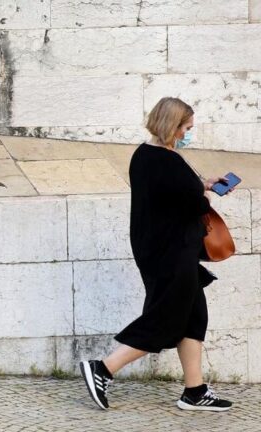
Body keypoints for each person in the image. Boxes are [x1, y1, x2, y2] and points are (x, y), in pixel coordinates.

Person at [80, 97, 233, 411]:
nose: (189, 133)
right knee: (166, 318)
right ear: (173, 126)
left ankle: (194, 391)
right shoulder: (167, 161)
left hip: (164, 250)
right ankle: (103, 368)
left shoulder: (145, 155)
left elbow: (171, 196)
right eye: (187, 128)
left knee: (193, 318)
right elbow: (194, 204)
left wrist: (202, 183)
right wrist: (204, 193)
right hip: (171, 254)